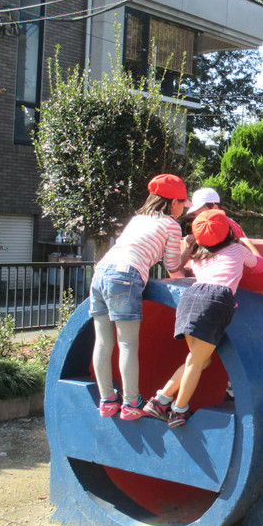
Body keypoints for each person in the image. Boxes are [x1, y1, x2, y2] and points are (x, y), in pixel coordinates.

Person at [143, 210, 263, 427]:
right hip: (215, 300)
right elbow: (260, 266)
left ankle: (161, 400)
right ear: (227, 231)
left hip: (190, 299)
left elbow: (180, 265)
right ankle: (178, 410)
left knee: (199, 360)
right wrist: (247, 243)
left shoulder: (197, 254)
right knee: (196, 361)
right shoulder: (237, 249)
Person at [89, 173, 190, 420]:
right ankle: (131, 403)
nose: (183, 210)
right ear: (172, 203)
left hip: (101, 272)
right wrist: (189, 248)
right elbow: (172, 265)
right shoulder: (171, 225)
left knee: (103, 342)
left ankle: (107, 400)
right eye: (182, 204)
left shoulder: (137, 219)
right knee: (127, 343)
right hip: (126, 275)